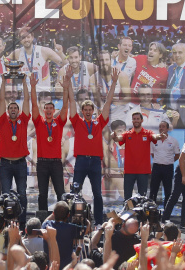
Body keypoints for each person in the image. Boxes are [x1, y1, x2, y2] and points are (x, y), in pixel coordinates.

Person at [69, 67, 119, 225]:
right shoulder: (77, 122)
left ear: (93, 111)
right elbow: (71, 101)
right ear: (82, 111)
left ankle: (98, 222)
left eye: (91, 109)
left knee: (97, 193)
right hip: (82, 161)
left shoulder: (99, 123)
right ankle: (73, 220)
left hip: (96, 162)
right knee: (75, 193)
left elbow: (108, 102)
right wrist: (68, 83)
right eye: (86, 110)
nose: (89, 112)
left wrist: (114, 83)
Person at [30, 71, 68, 211]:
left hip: (56, 162)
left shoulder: (59, 122)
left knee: (60, 192)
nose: (48, 110)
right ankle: (43, 217)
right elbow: (34, 104)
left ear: (54, 110)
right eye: (46, 108)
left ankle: (62, 217)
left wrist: (65, 88)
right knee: (42, 194)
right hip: (42, 162)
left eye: (51, 108)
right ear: (43, 110)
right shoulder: (39, 122)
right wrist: (33, 87)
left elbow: (65, 106)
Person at [0, 73, 30, 230]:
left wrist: (24, 83)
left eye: (15, 108)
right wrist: (3, 82)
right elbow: (1, 100)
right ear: (7, 111)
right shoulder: (3, 120)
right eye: (10, 108)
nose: (13, 110)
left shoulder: (23, 120)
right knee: (5, 194)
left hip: (20, 163)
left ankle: (22, 223)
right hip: (5, 164)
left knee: (22, 194)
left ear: (18, 111)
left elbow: (27, 101)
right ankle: (6, 223)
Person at [112, 112, 167, 200]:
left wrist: (159, 136)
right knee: (127, 198)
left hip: (143, 171)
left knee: (142, 198)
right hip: (129, 170)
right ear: (132, 121)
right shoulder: (127, 134)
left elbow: (154, 136)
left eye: (138, 119)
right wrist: (114, 137)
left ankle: (141, 214)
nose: (136, 120)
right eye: (134, 119)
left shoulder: (147, 133)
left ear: (142, 120)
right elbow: (118, 138)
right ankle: (127, 212)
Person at [42, 201, 89, 269]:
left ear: (53, 213)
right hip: (67, 266)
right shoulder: (72, 228)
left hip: (50, 266)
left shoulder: (47, 225)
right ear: (68, 215)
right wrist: (86, 218)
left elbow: (44, 222)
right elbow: (87, 230)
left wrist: (55, 213)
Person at [149, 121, 180, 207]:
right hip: (156, 167)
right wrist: (160, 160)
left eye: (163, 126)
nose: (161, 128)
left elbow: (177, 155)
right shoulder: (154, 140)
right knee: (153, 190)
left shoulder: (173, 141)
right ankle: (152, 209)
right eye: (160, 126)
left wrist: (168, 160)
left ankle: (167, 210)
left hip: (168, 168)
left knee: (168, 190)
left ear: (167, 129)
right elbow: (152, 154)